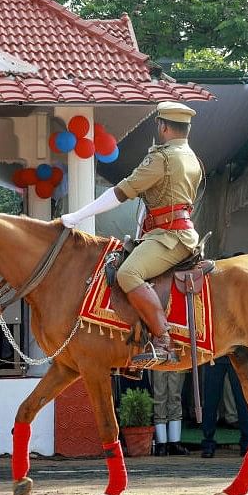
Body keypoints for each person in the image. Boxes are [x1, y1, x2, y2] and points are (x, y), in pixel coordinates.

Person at [61, 102, 203, 366]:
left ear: (162, 127)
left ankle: (163, 340)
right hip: (171, 232)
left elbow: (121, 192)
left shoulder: (163, 159)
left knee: (128, 274)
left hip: (169, 236)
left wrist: (77, 216)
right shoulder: (191, 157)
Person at [200, 355, 248, 458]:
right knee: (211, 400)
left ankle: (247, 442)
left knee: (242, 401)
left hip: (234, 354)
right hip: (216, 354)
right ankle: (208, 442)